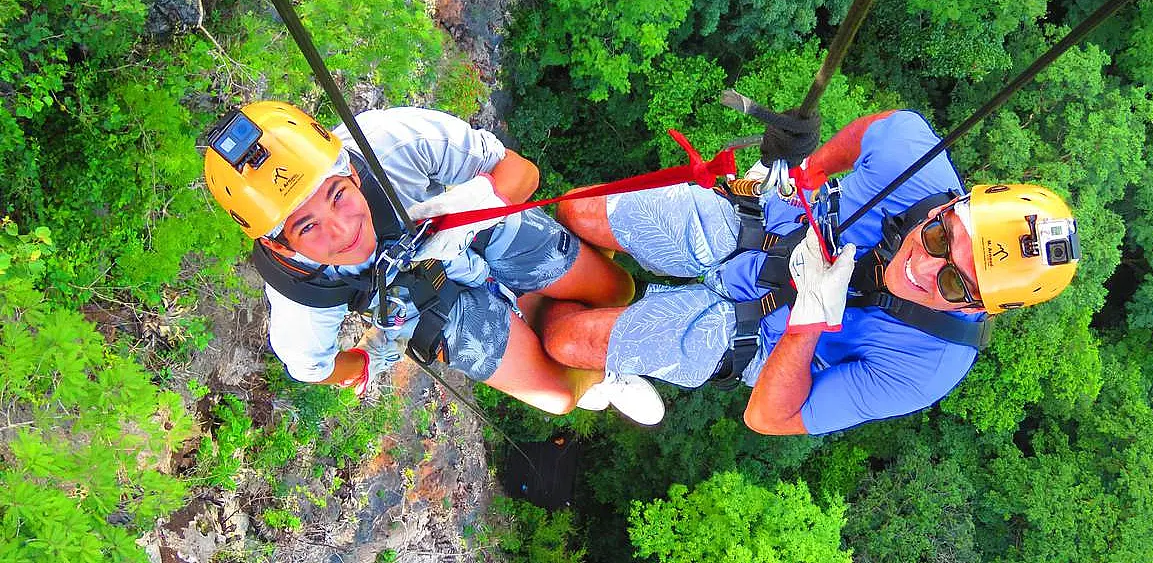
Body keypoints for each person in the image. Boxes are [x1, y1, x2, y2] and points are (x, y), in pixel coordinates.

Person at [544, 109, 1081, 435]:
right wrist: (807, 168)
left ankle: (603, 370)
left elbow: (768, 418)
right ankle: (612, 291)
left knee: (566, 342)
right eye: (943, 237)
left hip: (757, 335)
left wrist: (808, 322)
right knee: (575, 212)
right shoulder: (914, 159)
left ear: (981, 308)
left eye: (953, 282)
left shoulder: (927, 368)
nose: (923, 263)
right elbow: (878, 130)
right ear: (951, 205)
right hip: (765, 223)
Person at [203, 101, 665, 424]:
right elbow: (313, 367)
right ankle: (602, 378)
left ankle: (574, 323)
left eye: (338, 195)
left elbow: (521, 173)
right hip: (423, 298)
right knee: (559, 396)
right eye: (307, 227)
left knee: (616, 291)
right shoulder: (302, 293)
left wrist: (473, 204)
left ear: (346, 167)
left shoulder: (389, 144)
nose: (342, 231)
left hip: (469, 225)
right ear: (279, 246)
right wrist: (367, 360)